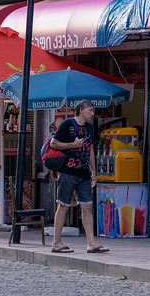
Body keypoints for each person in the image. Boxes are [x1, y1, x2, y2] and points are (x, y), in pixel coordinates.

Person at [49, 100, 108, 254]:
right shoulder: (67, 125)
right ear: (80, 110)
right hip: (68, 172)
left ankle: (91, 243)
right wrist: (72, 145)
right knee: (63, 205)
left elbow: (90, 150)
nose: (92, 113)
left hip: (83, 173)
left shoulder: (89, 128)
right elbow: (54, 143)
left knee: (87, 206)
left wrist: (94, 171)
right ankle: (56, 242)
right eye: (90, 110)